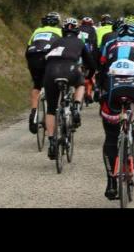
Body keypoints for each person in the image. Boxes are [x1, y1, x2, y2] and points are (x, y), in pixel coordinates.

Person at [97, 21, 134, 200]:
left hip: (112, 89)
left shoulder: (109, 44)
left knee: (111, 138)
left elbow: (101, 70)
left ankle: (111, 183)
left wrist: (100, 92)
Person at [43, 18, 96, 160]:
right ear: (77, 32)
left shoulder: (56, 42)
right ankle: (76, 107)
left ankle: (51, 142)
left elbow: (45, 59)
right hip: (70, 69)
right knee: (80, 84)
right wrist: (89, 76)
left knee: (51, 109)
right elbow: (91, 63)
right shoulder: (80, 42)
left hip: (51, 71)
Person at [25, 13, 62, 133]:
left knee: (37, 85)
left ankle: (33, 114)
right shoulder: (59, 31)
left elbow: (28, 48)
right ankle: (51, 114)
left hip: (33, 57)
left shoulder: (37, 31)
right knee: (54, 86)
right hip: (49, 57)